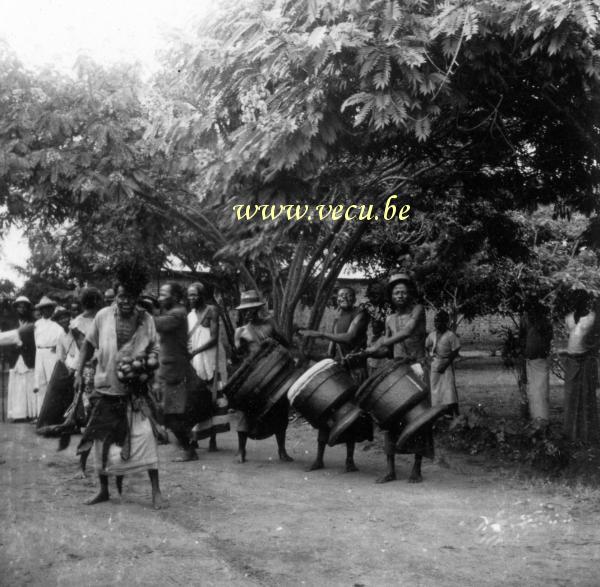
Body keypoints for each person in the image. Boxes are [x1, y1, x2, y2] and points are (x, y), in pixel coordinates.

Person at [74, 276, 163, 508]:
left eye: (130, 297)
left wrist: (146, 365)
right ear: (115, 296)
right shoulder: (103, 316)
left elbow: (155, 347)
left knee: (145, 437)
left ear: (137, 297)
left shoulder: (146, 319)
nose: (125, 301)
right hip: (106, 387)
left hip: (135, 391)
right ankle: (103, 490)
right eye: (122, 296)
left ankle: (156, 491)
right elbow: (87, 345)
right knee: (101, 442)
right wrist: (78, 372)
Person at [363, 273, 432, 483]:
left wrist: (381, 343)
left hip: (417, 367)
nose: (400, 295)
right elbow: (389, 350)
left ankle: (417, 469)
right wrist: (368, 352)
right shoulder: (390, 319)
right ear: (391, 296)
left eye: (403, 292)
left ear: (410, 294)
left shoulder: (418, 310)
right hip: (397, 370)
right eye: (396, 292)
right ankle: (390, 470)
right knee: (390, 416)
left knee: (419, 418)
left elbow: (408, 332)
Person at [299, 286, 372, 472]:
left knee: (352, 414)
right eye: (340, 295)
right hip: (340, 372)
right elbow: (331, 352)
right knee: (326, 410)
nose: (344, 297)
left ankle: (349, 460)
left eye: (348, 294)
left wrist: (320, 334)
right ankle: (319, 459)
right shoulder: (337, 319)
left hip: (356, 371)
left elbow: (349, 337)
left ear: (354, 297)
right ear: (336, 300)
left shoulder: (361, 314)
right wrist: (309, 355)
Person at [233, 290, 293, 463]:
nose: (249, 311)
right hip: (253, 377)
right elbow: (237, 355)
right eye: (246, 309)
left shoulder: (270, 325)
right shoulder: (240, 331)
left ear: (258, 308)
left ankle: (282, 451)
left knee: (280, 410)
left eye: (252, 308)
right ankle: (241, 451)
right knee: (246, 411)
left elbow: (285, 343)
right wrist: (240, 346)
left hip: (273, 374)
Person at [156, 281, 209, 462]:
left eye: (164, 295)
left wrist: (141, 314)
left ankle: (188, 449)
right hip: (169, 371)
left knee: (171, 414)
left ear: (175, 297)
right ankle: (188, 444)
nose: (160, 298)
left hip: (175, 373)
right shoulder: (171, 313)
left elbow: (158, 324)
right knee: (170, 414)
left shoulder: (178, 314)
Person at [187, 282, 229, 451]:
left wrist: (194, 351)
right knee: (196, 398)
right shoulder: (189, 316)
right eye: (189, 295)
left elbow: (213, 339)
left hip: (212, 360)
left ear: (202, 295)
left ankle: (213, 439)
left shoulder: (212, 311)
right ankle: (194, 437)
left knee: (213, 396)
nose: (191, 298)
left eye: (194, 295)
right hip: (196, 362)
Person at [563, 291, 599, 443]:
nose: (579, 302)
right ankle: (571, 433)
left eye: (582, 300)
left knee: (586, 397)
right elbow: (570, 337)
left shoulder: (592, 317)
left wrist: (591, 349)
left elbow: (596, 339)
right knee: (571, 397)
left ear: (586, 302)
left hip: (586, 361)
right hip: (572, 361)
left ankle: (586, 434)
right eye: (576, 299)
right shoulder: (569, 318)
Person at [519, 300, 553, 425]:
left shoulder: (544, 323)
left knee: (540, 391)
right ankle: (536, 420)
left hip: (540, 361)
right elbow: (522, 338)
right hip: (531, 361)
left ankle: (542, 421)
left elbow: (548, 340)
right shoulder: (527, 321)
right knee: (534, 392)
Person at [3, 296, 36, 421]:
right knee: (17, 386)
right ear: (16, 307)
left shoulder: (33, 322)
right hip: (15, 356)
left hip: (28, 356)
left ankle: (29, 413)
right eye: (19, 306)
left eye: (24, 306)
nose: (22, 308)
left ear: (28, 308)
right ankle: (17, 414)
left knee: (29, 384)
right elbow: (6, 339)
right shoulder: (9, 323)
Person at [425, 310, 461, 416]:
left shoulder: (451, 335)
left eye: (440, 322)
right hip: (435, 364)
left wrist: (446, 364)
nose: (437, 324)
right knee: (435, 388)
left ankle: (455, 412)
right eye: (436, 322)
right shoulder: (432, 335)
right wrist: (429, 358)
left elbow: (455, 350)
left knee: (449, 389)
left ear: (446, 323)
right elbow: (426, 346)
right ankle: (439, 412)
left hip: (446, 364)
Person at [33, 296, 63, 418]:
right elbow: (35, 340)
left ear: (52, 309)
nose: (46, 311)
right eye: (44, 309)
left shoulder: (57, 324)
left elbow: (62, 339)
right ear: (41, 310)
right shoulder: (37, 324)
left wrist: (58, 348)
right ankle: (41, 413)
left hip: (52, 353)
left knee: (52, 381)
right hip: (40, 353)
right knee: (40, 383)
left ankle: (52, 414)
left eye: (49, 308)